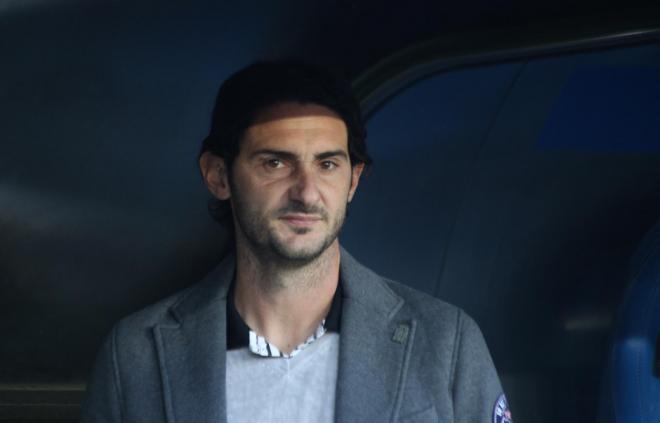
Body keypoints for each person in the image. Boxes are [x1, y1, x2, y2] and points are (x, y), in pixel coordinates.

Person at [81, 61, 512, 423]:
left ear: (353, 180)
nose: (306, 192)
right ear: (218, 176)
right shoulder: (135, 354)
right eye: (275, 163)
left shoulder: (445, 341)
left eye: (327, 164)